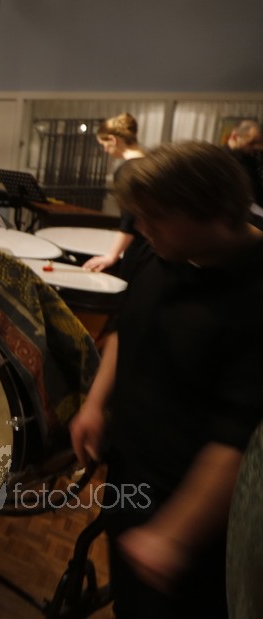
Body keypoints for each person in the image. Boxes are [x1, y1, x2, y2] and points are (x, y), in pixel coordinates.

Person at [68, 142, 263, 618]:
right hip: (132, 472)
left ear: (214, 213)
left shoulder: (255, 294)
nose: (140, 227)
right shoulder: (161, 251)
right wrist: (95, 404)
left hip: (197, 511)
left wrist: (174, 536)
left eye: (154, 216)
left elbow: (239, 439)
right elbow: (126, 329)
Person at [83, 113, 148, 274]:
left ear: (113, 140)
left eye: (103, 144)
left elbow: (130, 218)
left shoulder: (127, 170)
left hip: (140, 248)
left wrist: (111, 256)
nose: (104, 150)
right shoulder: (150, 163)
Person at [225, 119, 263, 206]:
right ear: (235, 137)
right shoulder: (221, 158)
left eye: (258, 143)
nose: (256, 147)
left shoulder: (252, 157)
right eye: (251, 143)